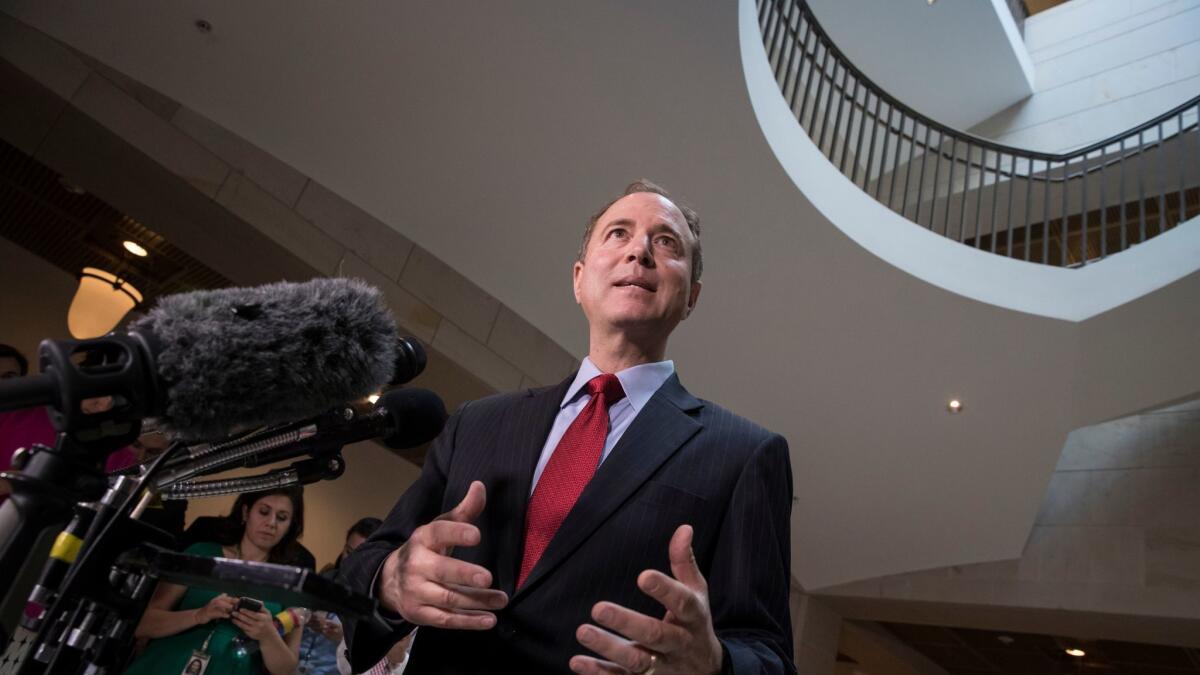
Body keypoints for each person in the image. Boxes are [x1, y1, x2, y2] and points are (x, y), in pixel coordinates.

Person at [342, 181, 795, 674]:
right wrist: (389, 580)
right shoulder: (479, 422)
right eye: (618, 234)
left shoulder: (745, 453)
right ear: (579, 280)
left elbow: (766, 653)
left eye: (666, 243)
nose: (639, 251)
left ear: (692, 298)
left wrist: (713, 662)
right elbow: (368, 564)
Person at [125, 487, 307, 675]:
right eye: (264, 511)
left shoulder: (291, 584)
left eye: (282, 517)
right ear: (246, 512)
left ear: (290, 527)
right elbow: (143, 625)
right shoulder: (201, 555)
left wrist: (267, 635)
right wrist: (199, 615)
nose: (271, 523)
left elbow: (286, 670)